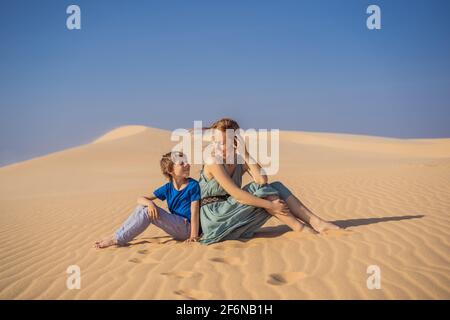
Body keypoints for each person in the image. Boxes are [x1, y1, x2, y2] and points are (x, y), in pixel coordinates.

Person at [94, 151, 201, 248]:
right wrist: (150, 203)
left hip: (189, 228)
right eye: (182, 163)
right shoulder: (168, 187)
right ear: (170, 170)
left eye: (186, 162)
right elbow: (140, 198)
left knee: (146, 211)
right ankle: (116, 235)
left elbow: (195, 212)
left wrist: (193, 236)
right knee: (143, 206)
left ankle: (117, 239)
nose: (187, 165)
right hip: (177, 225)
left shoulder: (193, 185)